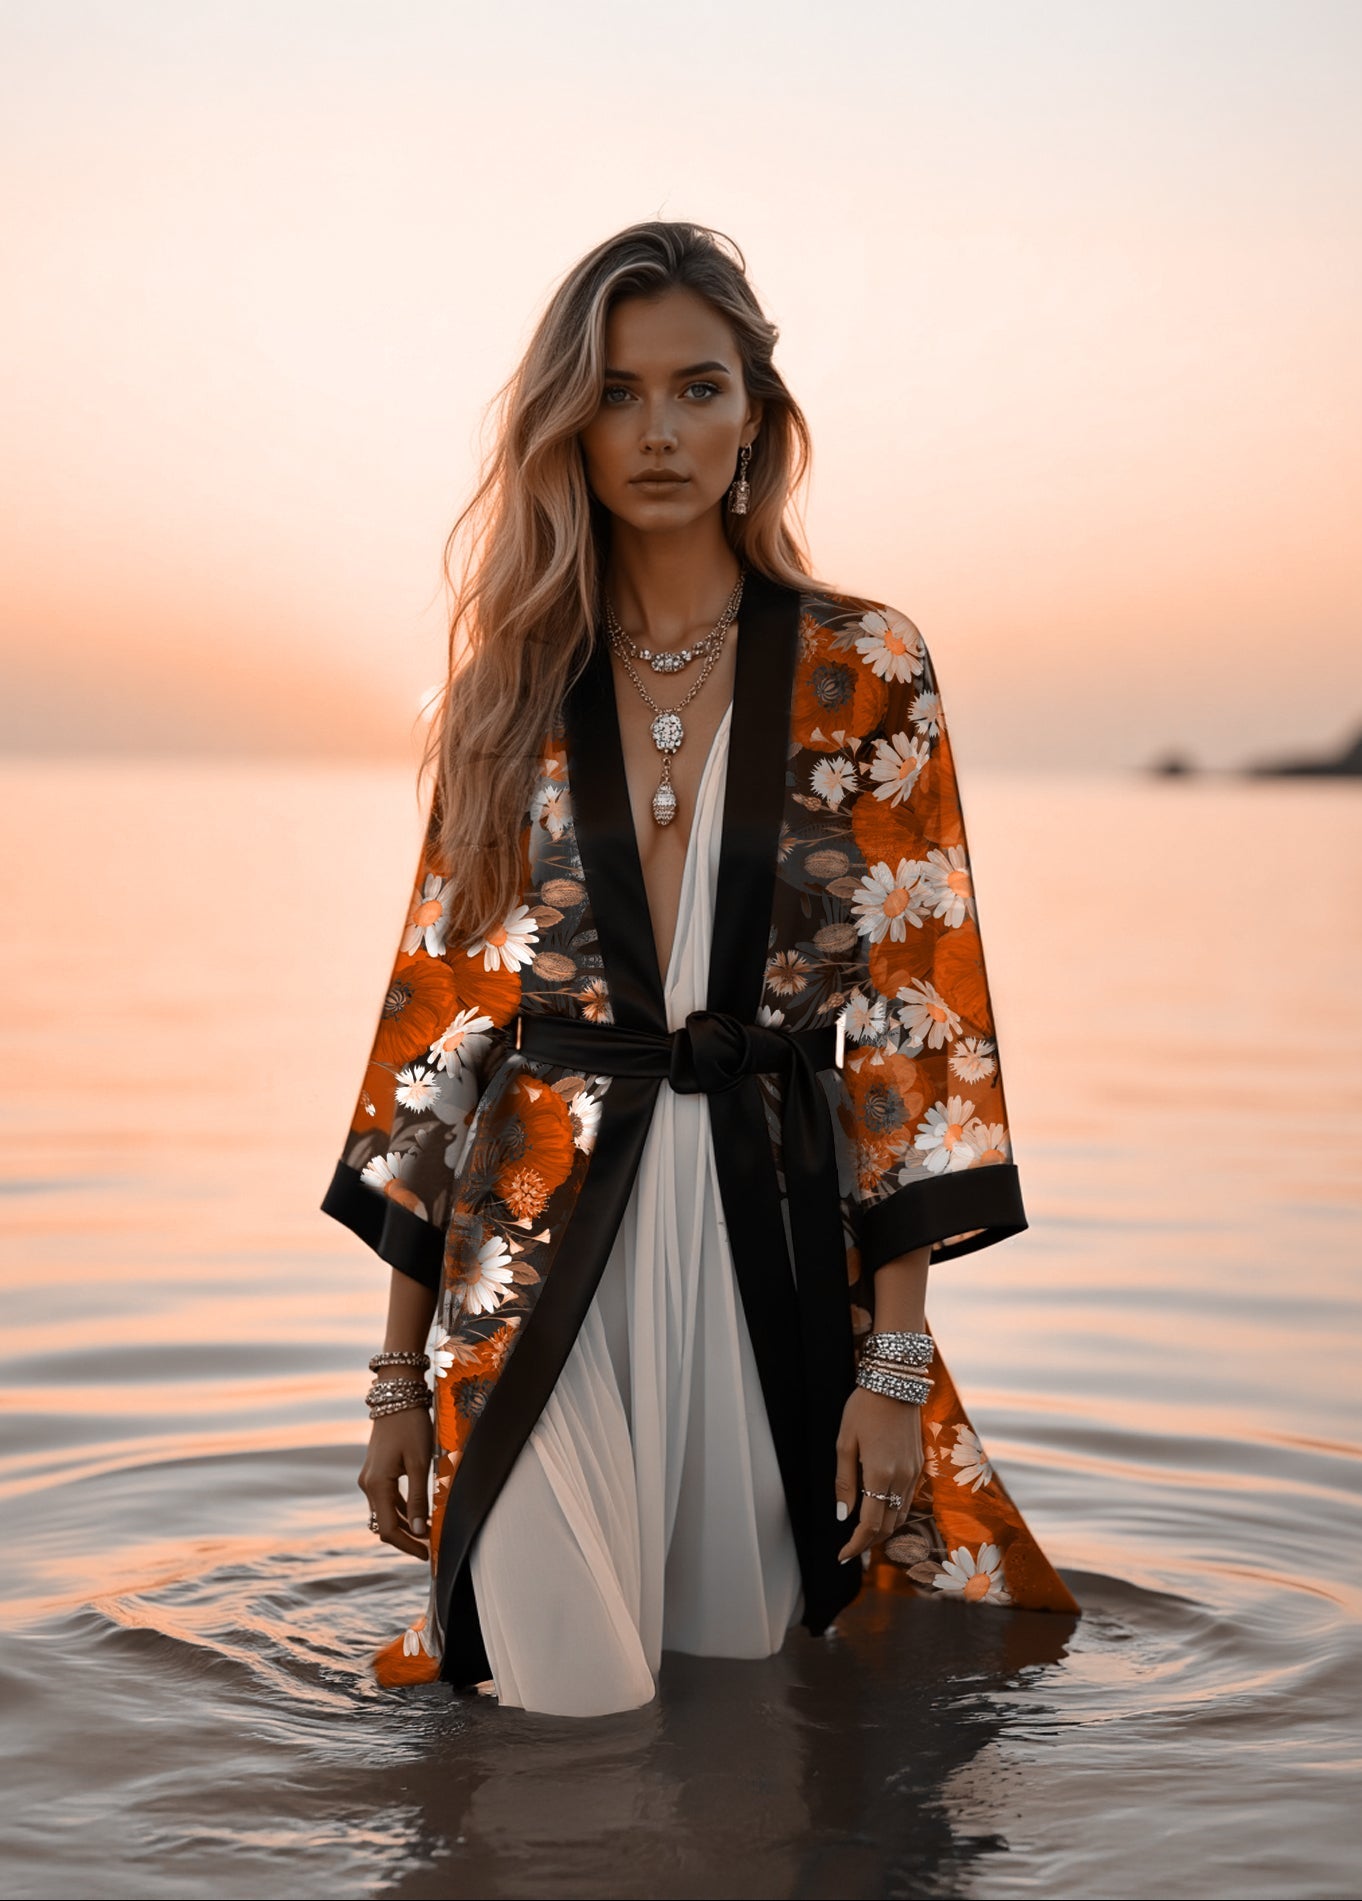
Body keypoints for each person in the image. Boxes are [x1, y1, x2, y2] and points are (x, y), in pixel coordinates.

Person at [322, 220, 1078, 1718]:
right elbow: (440, 1021)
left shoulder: (865, 664)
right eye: (612, 393)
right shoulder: (509, 684)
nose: (656, 430)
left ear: (757, 416)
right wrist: (396, 1377)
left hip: (770, 1240)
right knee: (557, 1727)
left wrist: (896, 1364)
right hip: (529, 1249)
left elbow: (914, 1025)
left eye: (696, 387)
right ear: (566, 424)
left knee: (738, 1718)